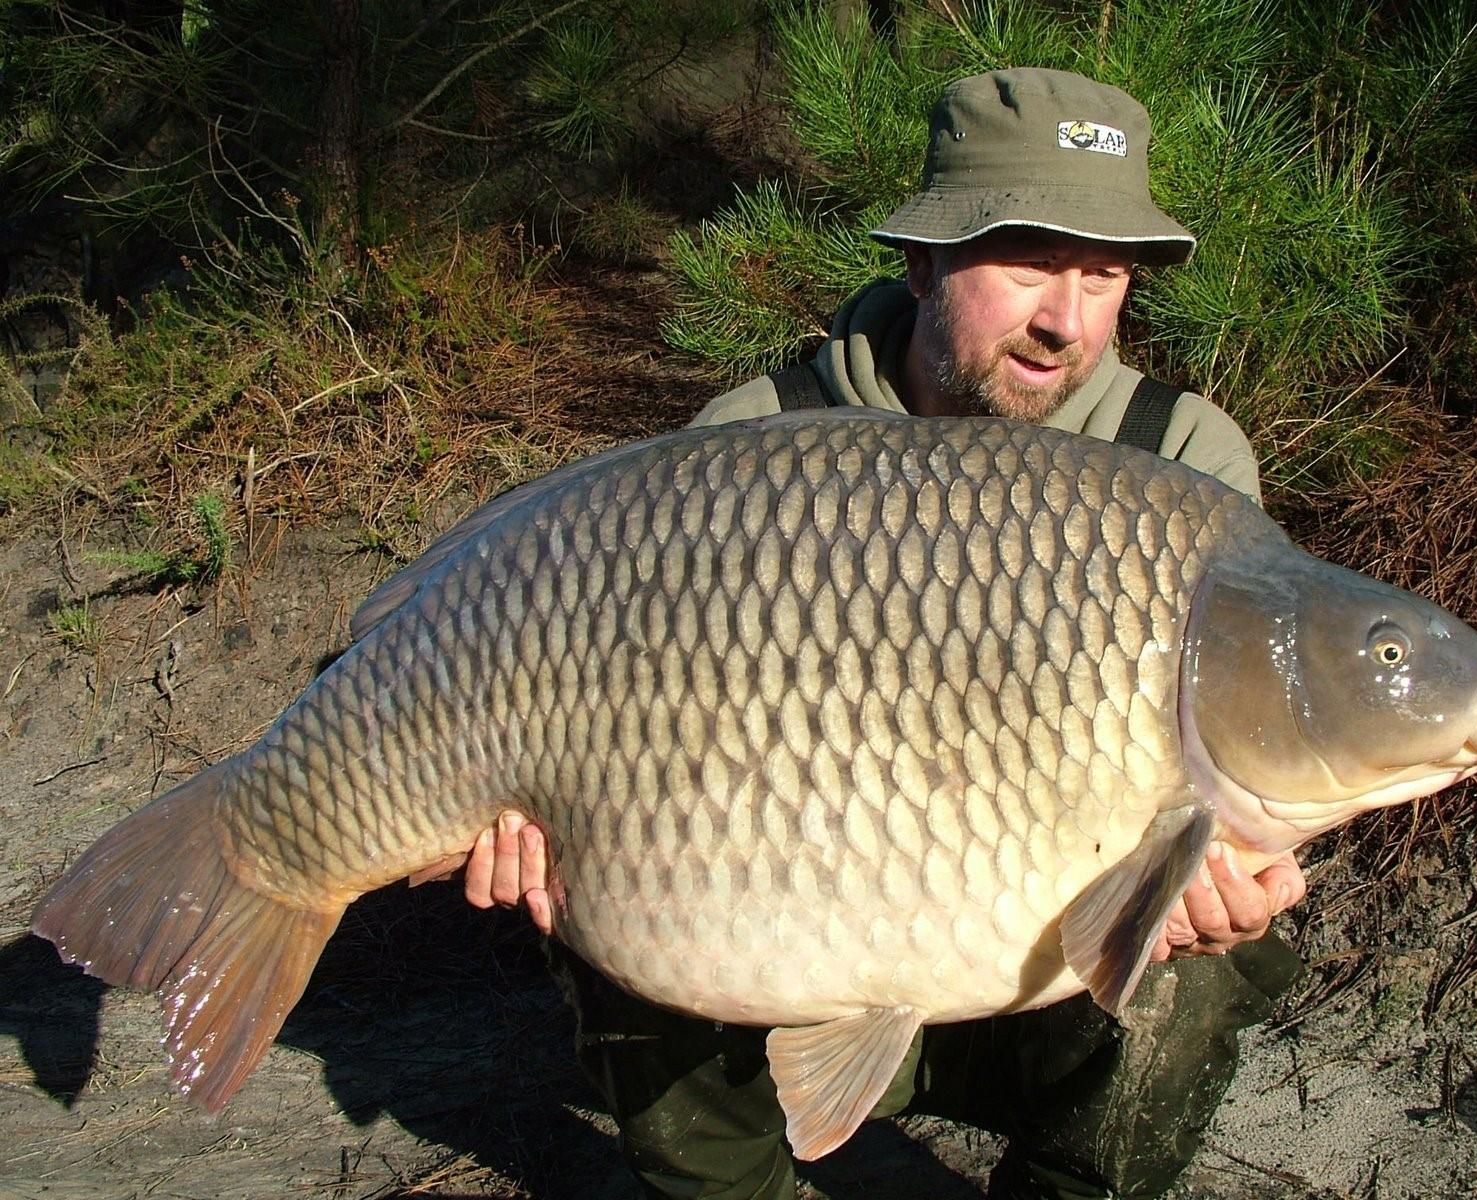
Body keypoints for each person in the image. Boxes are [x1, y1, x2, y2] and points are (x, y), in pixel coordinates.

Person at [462, 69, 1306, 1199]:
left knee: (1208, 952)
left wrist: (1239, 865)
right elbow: (604, 703)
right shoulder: (754, 446)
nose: (1065, 322)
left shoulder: (1184, 467)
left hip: (1031, 965)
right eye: (1027, 267)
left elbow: (1251, 752)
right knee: (618, 885)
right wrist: (542, 817)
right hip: (775, 948)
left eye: (1102, 277)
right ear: (920, 262)